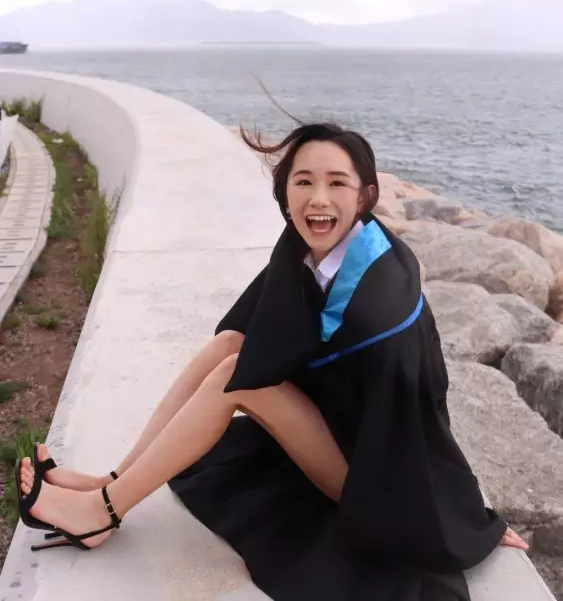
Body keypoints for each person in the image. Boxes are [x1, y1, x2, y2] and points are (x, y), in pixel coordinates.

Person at [17, 123, 528, 600]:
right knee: (229, 347)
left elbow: (423, 421)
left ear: (366, 196)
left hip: (375, 485)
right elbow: (252, 334)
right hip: (342, 435)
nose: (318, 197)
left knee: (239, 380)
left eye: (337, 182)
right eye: (303, 181)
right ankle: (113, 481)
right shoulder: (308, 250)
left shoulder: (385, 304)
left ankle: (102, 512)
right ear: (284, 193)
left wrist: (466, 515)